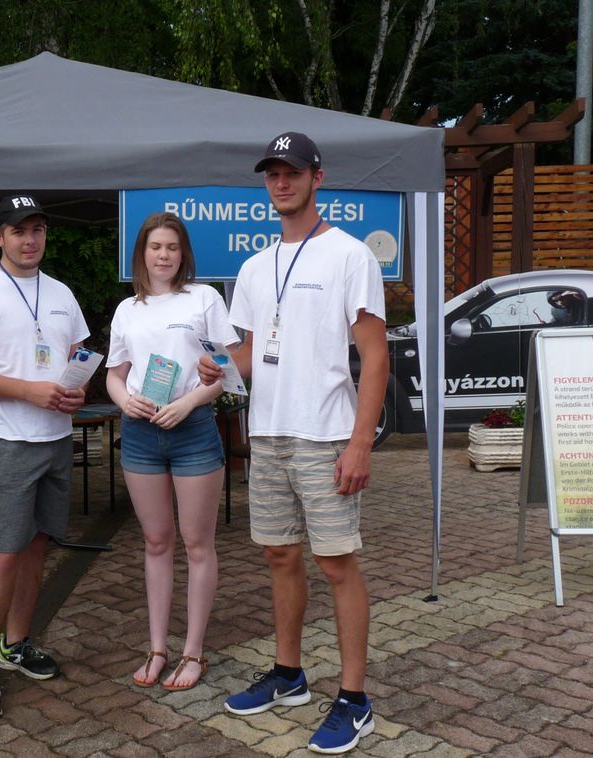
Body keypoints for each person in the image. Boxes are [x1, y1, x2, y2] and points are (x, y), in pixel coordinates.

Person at [199, 131, 389, 754]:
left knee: (336, 563)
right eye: (272, 174)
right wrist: (219, 370)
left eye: (292, 172)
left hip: (326, 434)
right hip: (269, 433)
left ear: (317, 176)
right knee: (279, 557)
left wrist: (361, 443)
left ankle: (354, 699)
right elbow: (249, 356)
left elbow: (376, 356)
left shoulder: (349, 255)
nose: (282, 182)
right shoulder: (254, 266)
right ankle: (289, 675)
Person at [0, 194, 88, 719]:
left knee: (37, 545)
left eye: (38, 230)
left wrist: (75, 385)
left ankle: (17, 642)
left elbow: (76, 357)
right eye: (19, 230)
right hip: (4, 437)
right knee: (4, 550)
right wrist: (28, 391)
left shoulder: (61, 293)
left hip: (54, 435)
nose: (30, 240)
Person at [105, 212, 237, 691]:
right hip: (141, 433)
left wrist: (189, 402)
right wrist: (124, 400)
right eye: (155, 246)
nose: (163, 255)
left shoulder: (204, 299)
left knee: (197, 544)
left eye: (172, 247)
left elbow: (227, 367)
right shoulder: (128, 309)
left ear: (184, 254)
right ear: (142, 252)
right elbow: (115, 373)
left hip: (194, 429)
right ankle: (157, 647)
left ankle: (193, 652)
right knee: (156, 543)